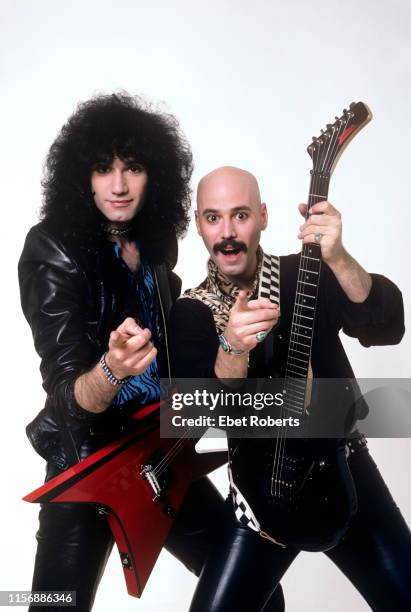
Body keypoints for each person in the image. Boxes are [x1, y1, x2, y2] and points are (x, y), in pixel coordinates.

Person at [19, 97, 288, 612]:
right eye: (103, 169)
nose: (118, 186)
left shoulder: (156, 243)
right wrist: (111, 370)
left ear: (154, 175)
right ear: (83, 176)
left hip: (159, 458)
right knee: (53, 605)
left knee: (256, 592)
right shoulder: (51, 249)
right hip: (89, 467)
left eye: (133, 168)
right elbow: (67, 397)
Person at [170, 166, 411, 611]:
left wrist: (338, 257)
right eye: (213, 218)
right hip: (259, 494)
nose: (227, 233)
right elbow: (195, 413)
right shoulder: (190, 313)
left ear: (263, 215)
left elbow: (387, 326)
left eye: (240, 215)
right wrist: (231, 347)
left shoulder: (307, 272)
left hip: (341, 470)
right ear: (198, 223)